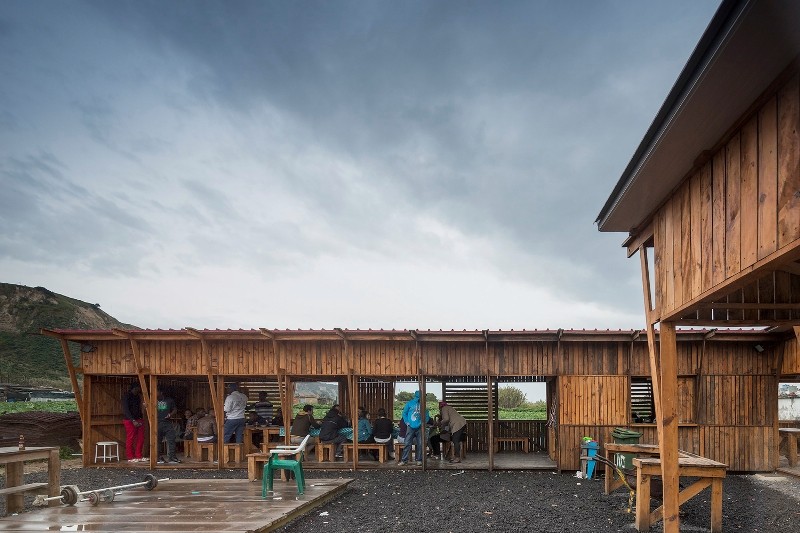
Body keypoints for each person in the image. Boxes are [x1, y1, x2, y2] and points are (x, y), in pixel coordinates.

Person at [399, 391, 430, 466]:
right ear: (419, 396)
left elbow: (427, 415)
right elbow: (404, 413)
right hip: (410, 426)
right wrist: (406, 422)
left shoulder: (423, 405)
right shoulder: (409, 403)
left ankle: (419, 460)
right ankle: (404, 460)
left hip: (420, 427)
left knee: (420, 444)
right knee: (407, 443)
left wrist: (423, 423)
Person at [121, 382, 145, 462]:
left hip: (138, 418)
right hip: (129, 420)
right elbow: (126, 410)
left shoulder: (137, 396)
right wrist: (133, 420)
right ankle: (130, 457)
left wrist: (141, 417)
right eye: (138, 388)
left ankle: (138, 455)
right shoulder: (126, 396)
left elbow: (138, 408)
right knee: (130, 438)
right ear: (134, 388)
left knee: (141, 438)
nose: (139, 389)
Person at [156, 389, 180, 464]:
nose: (154, 393)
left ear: (161, 392)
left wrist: (170, 414)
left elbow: (175, 409)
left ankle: (172, 457)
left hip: (167, 422)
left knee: (171, 439)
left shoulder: (169, 400)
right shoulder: (152, 400)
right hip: (156, 423)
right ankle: (158, 457)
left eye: (156, 391)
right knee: (157, 441)